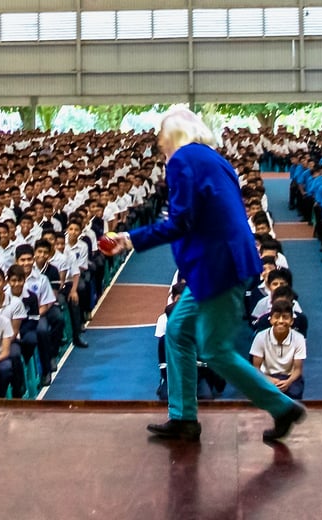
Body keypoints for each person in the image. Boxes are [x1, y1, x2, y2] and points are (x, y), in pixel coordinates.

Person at [99, 108, 305, 443]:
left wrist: (129, 239)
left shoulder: (182, 160)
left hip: (217, 265)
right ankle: (183, 418)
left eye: (162, 138)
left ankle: (282, 406)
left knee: (214, 349)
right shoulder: (214, 158)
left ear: (175, 135)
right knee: (178, 331)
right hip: (222, 261)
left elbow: (182, 222)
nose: (160, 145)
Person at [250, 301, 307, 400]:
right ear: (271, 320)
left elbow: (298, 369)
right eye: (277, 317)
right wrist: (269, 380)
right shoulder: (260, 337)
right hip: (266, 377)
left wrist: (288, 382)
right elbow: (256, 368)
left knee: (294, 396)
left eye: (285, 317)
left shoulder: (299, 338)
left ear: (291, 321)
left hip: (290, 378)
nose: (280, 321)